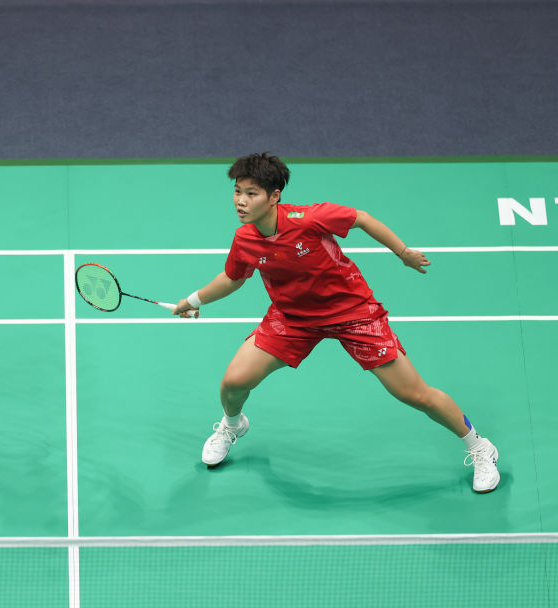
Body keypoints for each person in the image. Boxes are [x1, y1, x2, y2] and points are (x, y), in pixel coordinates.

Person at [173, 153, 499, 493]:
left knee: (414, 393)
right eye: (237, 191)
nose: (240, 201)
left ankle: (480, 447)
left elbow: (362, 218)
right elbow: (233, 278)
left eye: (251, 193)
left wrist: (402, 252)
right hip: (294, 318)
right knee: (234, 382)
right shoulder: (245, 239)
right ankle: (233, 425)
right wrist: (193, 301)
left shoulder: (309, 219)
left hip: (352, 313)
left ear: (274, 196)